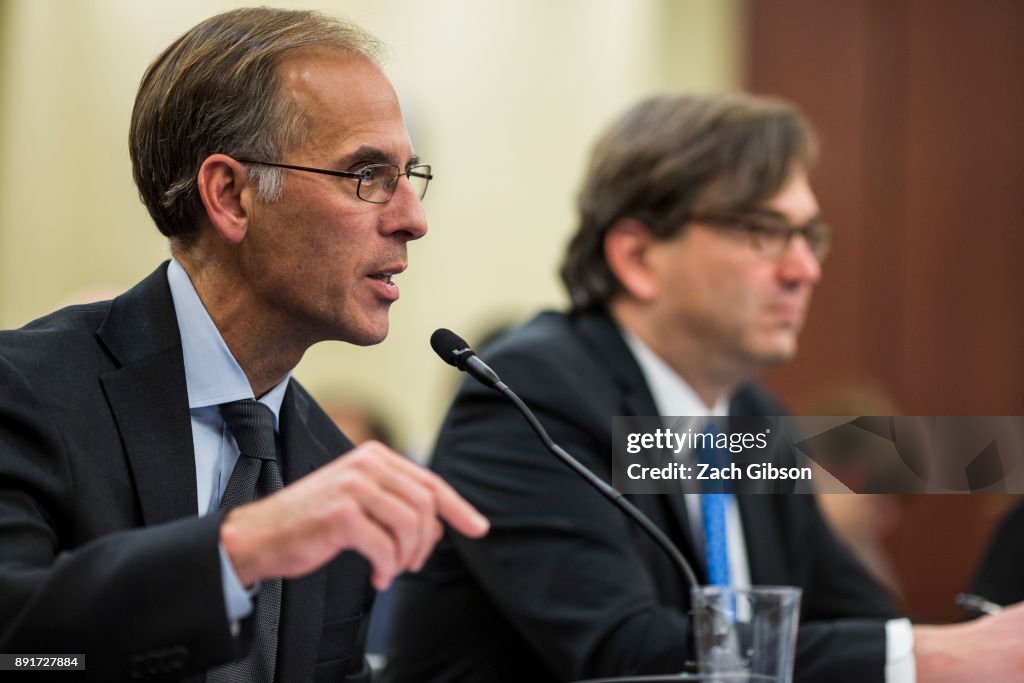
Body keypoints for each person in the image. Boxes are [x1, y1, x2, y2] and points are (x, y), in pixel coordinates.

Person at [384, 93, 1024, 682]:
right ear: (638, 258)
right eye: (764, 233)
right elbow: (624, 653)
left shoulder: (751, 419)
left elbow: (850, 613)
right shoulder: (532, 399)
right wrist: (930, 656)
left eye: (809, 237)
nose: (803, 269)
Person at [0, 8, 488, 682]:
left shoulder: (331, 468)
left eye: (412, 174)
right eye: (369, 176)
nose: (413, 217)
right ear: (231, 196)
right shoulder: (25, 390)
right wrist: (240, 547)